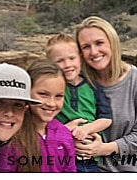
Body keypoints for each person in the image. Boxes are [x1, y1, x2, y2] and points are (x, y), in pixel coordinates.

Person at [75, 16, 137, 172]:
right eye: (86, 46)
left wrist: (102, 149)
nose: (94, 52)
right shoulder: (79, 83)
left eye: (99, 43)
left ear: (112, 42)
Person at [46, 33, 112, 172]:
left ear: (80, 59)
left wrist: (85, 129)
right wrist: (64, 130)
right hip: (60, 156)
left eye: (72, 58)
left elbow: (106, 118)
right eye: (60, 61)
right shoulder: (52, 89)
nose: (67, 65)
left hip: (89, 156)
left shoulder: (92, 87)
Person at [0, 60, 76, 173]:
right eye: (43, 94)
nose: (51, 103)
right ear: (27, 93)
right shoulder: (12, 136)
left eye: (59, 96)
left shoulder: (64, 134)